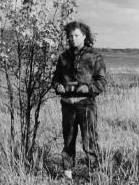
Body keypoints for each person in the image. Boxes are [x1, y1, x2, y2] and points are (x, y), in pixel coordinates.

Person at [52, 21, 107, 180]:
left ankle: (93, 174)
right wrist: (57, 86)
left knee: (89, 141)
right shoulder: (63, 57)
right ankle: (67, 174)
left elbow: (102, 82)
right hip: (67, 105)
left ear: (84, 36)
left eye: (76, 35)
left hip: (86, 105)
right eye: (70, 36)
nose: (73, 39)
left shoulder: (94, 56)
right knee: (68, 140)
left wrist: (88, 89)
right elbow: (56, 79)